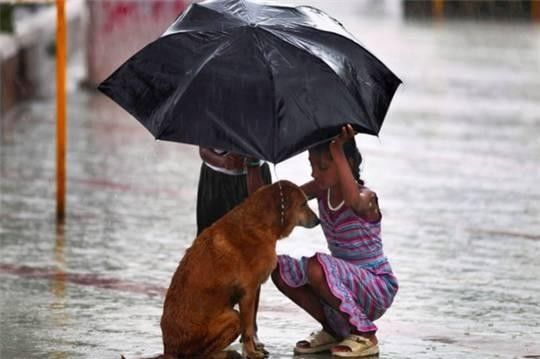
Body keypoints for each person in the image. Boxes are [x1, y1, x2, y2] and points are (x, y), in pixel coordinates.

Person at [271, 125, 398, 357]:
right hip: (339, 285)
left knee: (317, 266)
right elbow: (281, 201)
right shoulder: (321, 190)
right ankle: (333, 329)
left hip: (375, 286)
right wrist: (252, 165)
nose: (314, 173)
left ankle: (366, 334)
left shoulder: (366, 197)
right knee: (276, 267)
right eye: (311, 164)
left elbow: (354, 202)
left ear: (345, 163)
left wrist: (337, 148)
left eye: (322, 167)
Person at [196, 147, 272, 352]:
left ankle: (250, 328)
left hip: (254, 175)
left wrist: (253, 162)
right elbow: (203, 148)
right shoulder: (211, 113)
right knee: (210, 255)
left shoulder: (262, 115)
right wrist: (221, 162)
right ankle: (211, 324)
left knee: (254, 257)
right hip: (214, 179)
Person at [196, 147, 272, 235]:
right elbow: (204, 149)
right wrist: (223, 161)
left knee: (258, 235)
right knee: (211, 238)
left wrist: (252, 161)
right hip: (216, 179)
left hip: (256, 172)